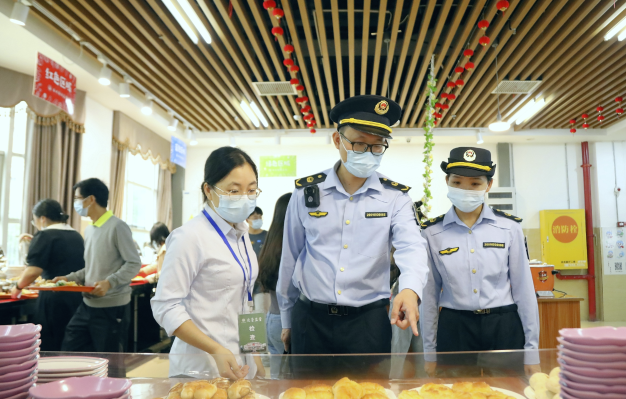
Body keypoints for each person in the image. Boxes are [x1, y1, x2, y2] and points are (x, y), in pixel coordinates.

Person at [277, 95, 428, 365]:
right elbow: (291, 257)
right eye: (359, 143)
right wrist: (286, 320)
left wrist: (409, 289)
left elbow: (412, 247)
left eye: (377, 146)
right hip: (311, 320)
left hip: (368, 323)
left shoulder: (395, 198)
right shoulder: (306, 193)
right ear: (338, 141)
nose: (368, 153)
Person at [420, 147, 540, 377]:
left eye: (475, 184)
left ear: (488, 185)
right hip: (455, 327)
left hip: (503, 324)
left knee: (508, 395)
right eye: (457, 182)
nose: (465, 189)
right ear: (447, 181)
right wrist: (429, 352)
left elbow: (524, 290)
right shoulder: (432, 233)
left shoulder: (509, 228)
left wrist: (532, 350)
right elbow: (429, 296)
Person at [151, 147, 265, 379]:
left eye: (251, 190)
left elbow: (246, 302)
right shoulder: (190, 237)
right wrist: (215, 349)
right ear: (208, 190)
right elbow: (166, 306)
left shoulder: (242, 236)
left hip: (241, 364)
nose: (244, 198)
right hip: (201, 367)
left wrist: (256, 357)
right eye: (234, 191)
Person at [56, 178, 141, 353]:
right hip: (87, 305)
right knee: (70, 351)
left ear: (91, 199)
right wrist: (69, 278)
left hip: (111, 308)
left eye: (78, 198)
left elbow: (133, 263)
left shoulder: (118, 226)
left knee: (110, 365)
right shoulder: (89, 229)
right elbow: (93, 266)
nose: (76, 203)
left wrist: (109, 282)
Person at [11, 199, 85, 351]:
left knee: (51, 344)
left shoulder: (45, 236)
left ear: (43, 218)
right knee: (70, 343)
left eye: (35, 220)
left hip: (53, 297)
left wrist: (17, 287)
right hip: (77, 295)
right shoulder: (76, 236)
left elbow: (33, 271)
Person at [255, 193, 291, 379]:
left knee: (277, 377)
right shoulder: (291, 246)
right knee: (291, 381)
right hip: (286, 323)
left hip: (272, 319)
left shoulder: (271, 242)